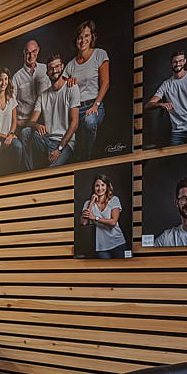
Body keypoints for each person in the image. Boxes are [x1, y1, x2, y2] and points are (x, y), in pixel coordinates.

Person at [63, 20, 111, 162]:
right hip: (76, 109)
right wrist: (68, 83)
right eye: (80, 37)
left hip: (93, 105)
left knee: (90, 122)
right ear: (76, 40)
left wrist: (96, 105)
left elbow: (105, 83)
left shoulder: (100, 54)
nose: (83, 40)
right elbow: (60, 89)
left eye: (86, 36)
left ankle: (88, 158)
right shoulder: (70, 65)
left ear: (92, 37)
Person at [145, 50, 187, 145]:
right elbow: (148, 105)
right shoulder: (166, 84)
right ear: (171, 64)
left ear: (184, 61)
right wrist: (161, 104)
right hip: (177, 132)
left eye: (180, 61)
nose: (177, 64)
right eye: (175, 62)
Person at [32, 52, 81, 167]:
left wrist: (59, 148)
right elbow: (31, 121)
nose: (54, 71)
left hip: (64, 142)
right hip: (47, 139)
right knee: (27, 133)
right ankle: (30, 170)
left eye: (57, 66)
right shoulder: (43, 96)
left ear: (62, 67)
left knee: (51, 171)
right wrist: (37, 125)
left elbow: (75, 123)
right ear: (47, 72)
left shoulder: (72, 88)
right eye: (51, 68)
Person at [13, 39, 51, 167]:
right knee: (25, 133)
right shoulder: (16, 77)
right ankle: (29, 172)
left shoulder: (46, 69)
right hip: (25, 122)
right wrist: (17, 122)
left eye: (34, 51)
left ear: (38, 51)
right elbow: (11, 105)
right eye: (27, 53)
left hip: (45, 120)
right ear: (23, 54)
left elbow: (57, 86)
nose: (31, 56)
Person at [80, 173, 127, 258]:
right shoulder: (88, 203)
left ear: (107, 186)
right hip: (101, 246)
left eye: (102, 185)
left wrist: (95, 218)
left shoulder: (114, 200)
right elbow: (84, 222)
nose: (100, 188)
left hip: (117, 243)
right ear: (93, 187)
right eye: (97, 185)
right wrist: (91, 203)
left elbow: (113, 222)